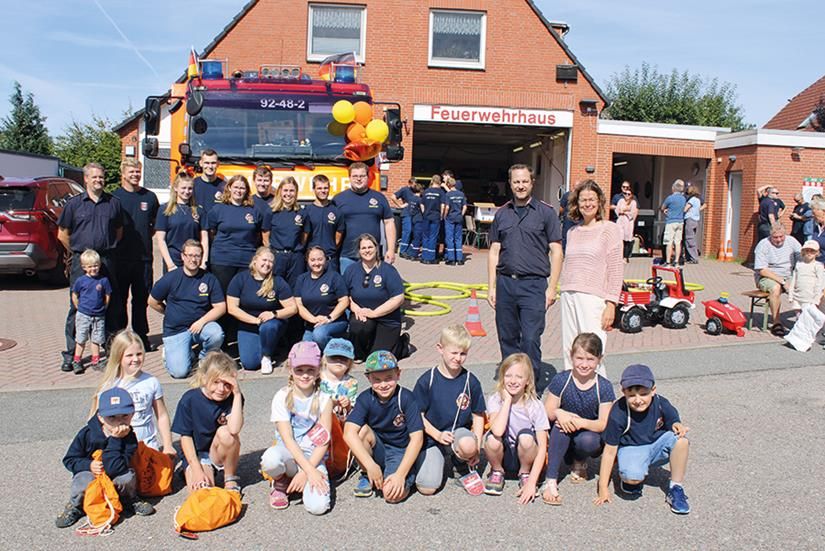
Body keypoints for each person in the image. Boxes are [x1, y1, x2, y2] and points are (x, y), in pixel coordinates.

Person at [487, 164, 563, 384]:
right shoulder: (502, 214)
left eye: (524, 181)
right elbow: (494, 252)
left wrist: (552, 288)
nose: (520, 186)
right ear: (510, 184)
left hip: (534, 286)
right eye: (516, 182)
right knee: (507, 339)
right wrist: (491, 287)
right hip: (506, 285)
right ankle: (511, 385)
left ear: (532, 183)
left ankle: (530, 387)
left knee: (530, 339)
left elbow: (557, 252)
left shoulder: (546, 213)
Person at [594, 364, 691, 515]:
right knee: (632, 477)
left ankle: (676, 488)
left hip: (655, 445)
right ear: (623, 392)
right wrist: (603, 488)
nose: (638, 400)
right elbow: (609, 451)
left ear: (653, 390)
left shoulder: (660, 403)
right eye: (632, 395)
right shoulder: (618, 412)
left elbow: (673, 419)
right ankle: (631, 477)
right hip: (632, 448)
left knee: (681, 440)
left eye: (644, 394)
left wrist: (677, 424)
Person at [57, 162, 123, 372]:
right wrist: (81, 256)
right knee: (77, 308)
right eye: (94, 177)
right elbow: (62, 234)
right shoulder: (74, 204)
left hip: (106, 261)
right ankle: (71, 355)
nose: (98, 181)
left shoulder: (113, 203)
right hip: (82, 263)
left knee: (110, 305)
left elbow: (119, 232)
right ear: (85, 179)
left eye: (101, 177)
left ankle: (109, 352)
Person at [56, 387, 154, 529]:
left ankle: (129, 500)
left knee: (126, 477)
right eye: (112, 417)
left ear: (132, 415)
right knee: (83, 480)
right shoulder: (87, 434)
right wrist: (88, 465)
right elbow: (70, 459)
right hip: (91, 472)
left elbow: (116, 467)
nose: (119, 422)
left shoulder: (129, 436)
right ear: (100, 417)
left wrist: (115, 439)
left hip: (114, 472)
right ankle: (76, 505)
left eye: (124, 416)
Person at [542, 333, 614, 505]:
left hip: (587, 433)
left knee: (588, 440)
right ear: (571, 356)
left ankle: (579, 460)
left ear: (599, 359)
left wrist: (580, 422)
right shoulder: (562, 379)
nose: (584, 364)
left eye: (590, 359)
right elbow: (547, 411)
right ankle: (550, 480)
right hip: (562, 432)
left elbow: (603, 423)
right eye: (579, 358)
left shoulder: (603, 386)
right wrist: (560, 413)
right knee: (560, 424)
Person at [261, 341, 333, 514]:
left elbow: (323, 441)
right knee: (270, 460)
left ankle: (299, 480)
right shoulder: (282, 396)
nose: (305, 375)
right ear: (290, 370)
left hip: (313, 456)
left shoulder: (324, 398)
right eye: (299, 370)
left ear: (318, 371)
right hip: (289, 454)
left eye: (310, 370)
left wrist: (308, 471)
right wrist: (308, 472)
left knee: (318, 507)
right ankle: (280, 481)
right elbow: (288, 439)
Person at [559, 180, 623, 374]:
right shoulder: (572, 232)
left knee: (591, 351)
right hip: (568, 294)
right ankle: (573, 395)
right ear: (577, 204)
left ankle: (598, 397)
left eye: (592, 199)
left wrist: (611, 304)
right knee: (570, 350)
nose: (587, 204)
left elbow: (616, 269)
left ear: (600, 202)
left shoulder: (609, 229)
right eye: (583, 200)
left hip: (593, 298)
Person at [343, 351, 424, 503]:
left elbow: (417, 438)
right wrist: (370, 465)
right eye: (377, 380)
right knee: (361, 431)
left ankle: (406, 474)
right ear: (368, 378)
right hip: (378, 448)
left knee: (390, 495)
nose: (383, 384)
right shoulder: (365, 398)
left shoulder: (406, 398)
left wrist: (400, 475)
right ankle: (368, 474)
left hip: (400, 450)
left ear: (398, 374)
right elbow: (348, 433)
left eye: (389, 378)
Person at [413, 325, 485, 496]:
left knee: (468, 445)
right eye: (453, 353)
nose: (458, 358)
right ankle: (428, 460)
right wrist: (437, 434)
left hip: (457, 434)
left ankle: (459, 462)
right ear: (440, 349)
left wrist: (477, 447)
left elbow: (478, 415)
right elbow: (418, 416)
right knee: (427, 488)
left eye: (463, 354)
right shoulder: (427, 380)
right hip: (432, 437)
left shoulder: (470, 381)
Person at [148, 240, 225, 378]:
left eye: (197, 256)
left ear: (201, 257)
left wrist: (201, 322)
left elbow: (220, 307)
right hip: (176, 330)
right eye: (189, 255)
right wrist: (168, 312)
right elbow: (152, 301)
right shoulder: (170, 278)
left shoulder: (209, 279)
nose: (193, 259)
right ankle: (173, 352)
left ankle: (204, 359)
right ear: (182, 256)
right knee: (180, 373)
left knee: (216, 334)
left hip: (200, 327)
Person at [90, 330, 174, 455]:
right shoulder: (109, 385)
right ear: (118, 356)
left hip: (146, 444)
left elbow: (161, 415)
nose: (135, 359)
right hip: (117, 445)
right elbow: (96, 419)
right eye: (129, 355)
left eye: (139, 354)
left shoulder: (151, 382)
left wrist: (168, 445)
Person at [172, 351, 243, 493]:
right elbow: (185, 438)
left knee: (227, 433)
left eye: (227, 384)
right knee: (202, 492)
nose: (221, 389)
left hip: (215, 450)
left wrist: (237, 394)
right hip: (196, 454)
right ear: (204, 379)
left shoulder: (233, 398)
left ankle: (229, 477)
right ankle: (190, 470)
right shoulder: (190, 399)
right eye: (216, 382)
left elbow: (234, 429)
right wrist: (197, 470)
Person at [483, 353, 549, 503]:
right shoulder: (495, 399)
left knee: (526, 437)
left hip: (525, 456)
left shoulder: (535, 405)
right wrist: (507, 401)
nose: (513, 381)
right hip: (504, 454)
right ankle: (497, 470)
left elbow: (543, 446)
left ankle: (525, 474)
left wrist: (532, 482)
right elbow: (498, 430)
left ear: (527, 381)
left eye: (519, 377)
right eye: (508, 376)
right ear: (502, 377)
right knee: (493, 439)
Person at [113, 159, 159, 350]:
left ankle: (141, 336)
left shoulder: (149, 197)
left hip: (143, 259)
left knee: (141, 300)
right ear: (123, 174)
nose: (135, 175)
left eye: (138, 172)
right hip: (120, 259)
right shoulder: (115, 198)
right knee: (119, 300)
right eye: (131, 172)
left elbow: (154, 226)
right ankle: (120, 337)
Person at [226, 247, 296, 374]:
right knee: (250, 364)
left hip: (271, 323)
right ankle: (266, 345)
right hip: (248, 323)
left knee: (268, 327)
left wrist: (274, 314)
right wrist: (255, 320)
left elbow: (293, 308)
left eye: (270, 262)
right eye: (264, 260)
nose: (267, 264)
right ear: (255, 260)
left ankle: (267, 356)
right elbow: (232, 308)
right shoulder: (240, 279)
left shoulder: (278, 281)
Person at [343, 234, 406, 361]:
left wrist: (375, 313)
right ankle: (360, 353)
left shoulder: (388, 270)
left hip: (387, 321)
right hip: (362, 316)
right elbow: (344, 295)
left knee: (379, 358)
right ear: (359, 251)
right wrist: (355, 307)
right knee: (357, 326)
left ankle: (402, 344)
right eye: (363, 248)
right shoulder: (351, 270)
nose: (367, 250)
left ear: (376, 248)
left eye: (370, 247)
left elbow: (398, 298)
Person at [207, 174, 269, 292]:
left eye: (242, 188)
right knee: (222, 295)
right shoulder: (218, 209)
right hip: (222, 260)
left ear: (246, 190)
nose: (239, 191)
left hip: (246, 261)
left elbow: (258, 235)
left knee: (243, 295)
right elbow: (211, 233)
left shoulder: (254, 211)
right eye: (236, 187)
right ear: (229, 188)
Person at [333, 162, 396, 274]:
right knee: (348, 290)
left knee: (373, 290)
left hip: (372, 257)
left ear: (368, 177)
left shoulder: (379, 198)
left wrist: (391, 250)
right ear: (349, 178)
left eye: (362, 176)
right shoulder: (338, 199)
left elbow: (389, 223)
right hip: (347, 256)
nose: (358, 179)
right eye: (355, 176)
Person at [294, 246, 349, 350]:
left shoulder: (334, 277)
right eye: (313, 260)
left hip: (334, 322)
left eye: (320, 259)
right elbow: (299, 305)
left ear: (326, 260)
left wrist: (329, 318)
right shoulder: (301, 279)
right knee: (304, 350)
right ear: (307, 260)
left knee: (319, 335)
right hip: (312, 325)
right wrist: (313, 319)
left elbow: (344, 301)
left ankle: (336, 351)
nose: (316, 263)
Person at [319, 338, 358, 480]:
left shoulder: (351, 382)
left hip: (340, 422)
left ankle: (340, 459)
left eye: (344, 359)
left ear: (350, 363)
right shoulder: (318, 379)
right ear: (325, 359)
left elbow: (352, 410)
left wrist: (346, 404)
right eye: (333, 358)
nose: (339, 362)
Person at [753, 223, 801, 336]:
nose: (779, 240)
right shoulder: (763, 244)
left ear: (785, 234)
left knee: (804, 286)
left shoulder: (792, 241)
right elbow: (762, 270)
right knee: (776, 288)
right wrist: (783, 282)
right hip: (767, 276)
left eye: (781, 236)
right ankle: (776, 322)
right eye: (775, 237)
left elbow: (802, 257)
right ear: (770, 236)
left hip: (788, 275)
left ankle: (803, 321)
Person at [156, 172, 209, 273]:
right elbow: (161, 240)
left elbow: (204, 239)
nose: (187, 191)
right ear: (176, 188)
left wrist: (203, 262)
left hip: (193, 261)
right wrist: (170, 264)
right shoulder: (165, 210)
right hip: (173, 261)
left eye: (190, 188)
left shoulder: (199, 211)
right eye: (183, 188)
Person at [70, 249, 112, 374]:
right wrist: (78, 307)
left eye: (95, 266)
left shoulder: (103, 280)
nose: (93, 269)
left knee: (97, 339)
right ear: (84, 267)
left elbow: (108, 295)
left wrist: (105, 306)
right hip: (84, 314)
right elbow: (74, 294)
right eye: (90, 266)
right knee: (81, 338)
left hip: (98, 314)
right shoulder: (81, 281)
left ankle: (96, 360)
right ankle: (77, 360)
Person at [269, 177, 305, 288]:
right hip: (277, 256)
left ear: (296, 192)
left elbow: (304, 237)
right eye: (285, 190)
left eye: (291, 191)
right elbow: (265, 236)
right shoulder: (271, 211)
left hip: (296, 257)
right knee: (275, 289)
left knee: (295, 290)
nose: (288, 194)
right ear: (280, 191)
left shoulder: (302, 212)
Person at [302, 174, 342, 273]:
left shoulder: (336, 211)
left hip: (330, 261)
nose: (323, 191)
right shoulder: (307, 211)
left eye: (325, 188)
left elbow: (338, 237)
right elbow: (303, 238)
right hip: (312, 262)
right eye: (319, 188)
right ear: (313, 189)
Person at [787, 240, 825, 311]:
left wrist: (816, 299)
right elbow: (794, 280)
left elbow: (820, 283)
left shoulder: (818, 266)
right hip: (798, 297)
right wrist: (791, 295)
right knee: (799, 318)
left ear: (817, 253)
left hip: (810, 298)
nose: (809, 253)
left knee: (809, 318)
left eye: (812, 251)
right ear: (803, 252)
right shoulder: (799, 264)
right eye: (807, 251)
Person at [660, 179, 687, 266]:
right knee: (678, 242)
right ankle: (676, 261)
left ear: (673, 188)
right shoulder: (683, 199)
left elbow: (662, 208)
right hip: (680, 222)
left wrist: (665, 210)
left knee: (669, 242)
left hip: (671, 222)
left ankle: (668, 262)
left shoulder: (670, 198)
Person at [420, 175, 445, 264]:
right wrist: (442, 215)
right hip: (435, 216)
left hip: (426, 216)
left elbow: (422, 205)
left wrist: (424, 213)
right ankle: (430, 258)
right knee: (433, 237)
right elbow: (442, 205)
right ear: (439, 182)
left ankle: (424, 257)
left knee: (425, 236)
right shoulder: (441, 192)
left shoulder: (426, 191)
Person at [193, 149, 225, 216]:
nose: (210, 166)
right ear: (201, 163)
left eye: (213, 163)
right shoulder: (192, 185)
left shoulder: (224, 186)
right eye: (207, 163)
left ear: (218, 164)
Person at [443, 176, 467, 265]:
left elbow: (447, 207)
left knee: (450, 238)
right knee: (458, 238)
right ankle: (459, 259)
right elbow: (464, 206)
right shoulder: (461, 194)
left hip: (450, 218)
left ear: (448, 184)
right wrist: (461, 214)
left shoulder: (448, 194)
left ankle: (451, 259)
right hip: (459, 217)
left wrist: (445, 216)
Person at [392, 178, 417, 259]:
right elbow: (393, 197)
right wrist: (400, 206)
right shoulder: (404, 190)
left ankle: (409, 251)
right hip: (407, 214)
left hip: (414, 215)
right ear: (410, 183)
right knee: (407, 231)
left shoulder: (415, 191)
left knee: (413, 232)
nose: (415, 186)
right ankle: (402, 251)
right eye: (414, 184)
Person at [614, 181, 638, 263]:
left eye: (628, 194)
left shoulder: (633, 202)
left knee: (627, 240)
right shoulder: (620, 201)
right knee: (620, 239)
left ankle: (626, 257)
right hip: (621, 221)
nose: (626, 196)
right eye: (625, 194)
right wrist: (624, 211)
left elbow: (633, 212)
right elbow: (617, 210)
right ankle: (620, 257)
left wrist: (624, 211)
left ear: (631, 195)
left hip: (628, 222)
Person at [682, 184, 705, 264]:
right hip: (695, 221)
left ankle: (693, 258)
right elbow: (700, 208)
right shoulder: (698, 200)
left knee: (689, 239)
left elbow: (685, 209)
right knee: (691, 239)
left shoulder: (692, 200)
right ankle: (690, 257)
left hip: (689, 220)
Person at [408, 182, 425, 260]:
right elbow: (423, 210)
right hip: (419, 220)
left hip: (413, 219)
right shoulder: (419, 200)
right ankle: (414, 254)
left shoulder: (411, 198)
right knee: (418, 237)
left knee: (415, 236)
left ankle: (410, 251)